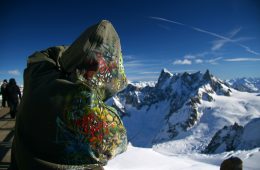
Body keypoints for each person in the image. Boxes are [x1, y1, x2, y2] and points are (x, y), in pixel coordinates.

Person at [10, 20, 127, 170]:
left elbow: (43, 55)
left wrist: (75, 54)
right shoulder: (86, 106)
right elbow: (120, 141)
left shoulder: (39, 74)